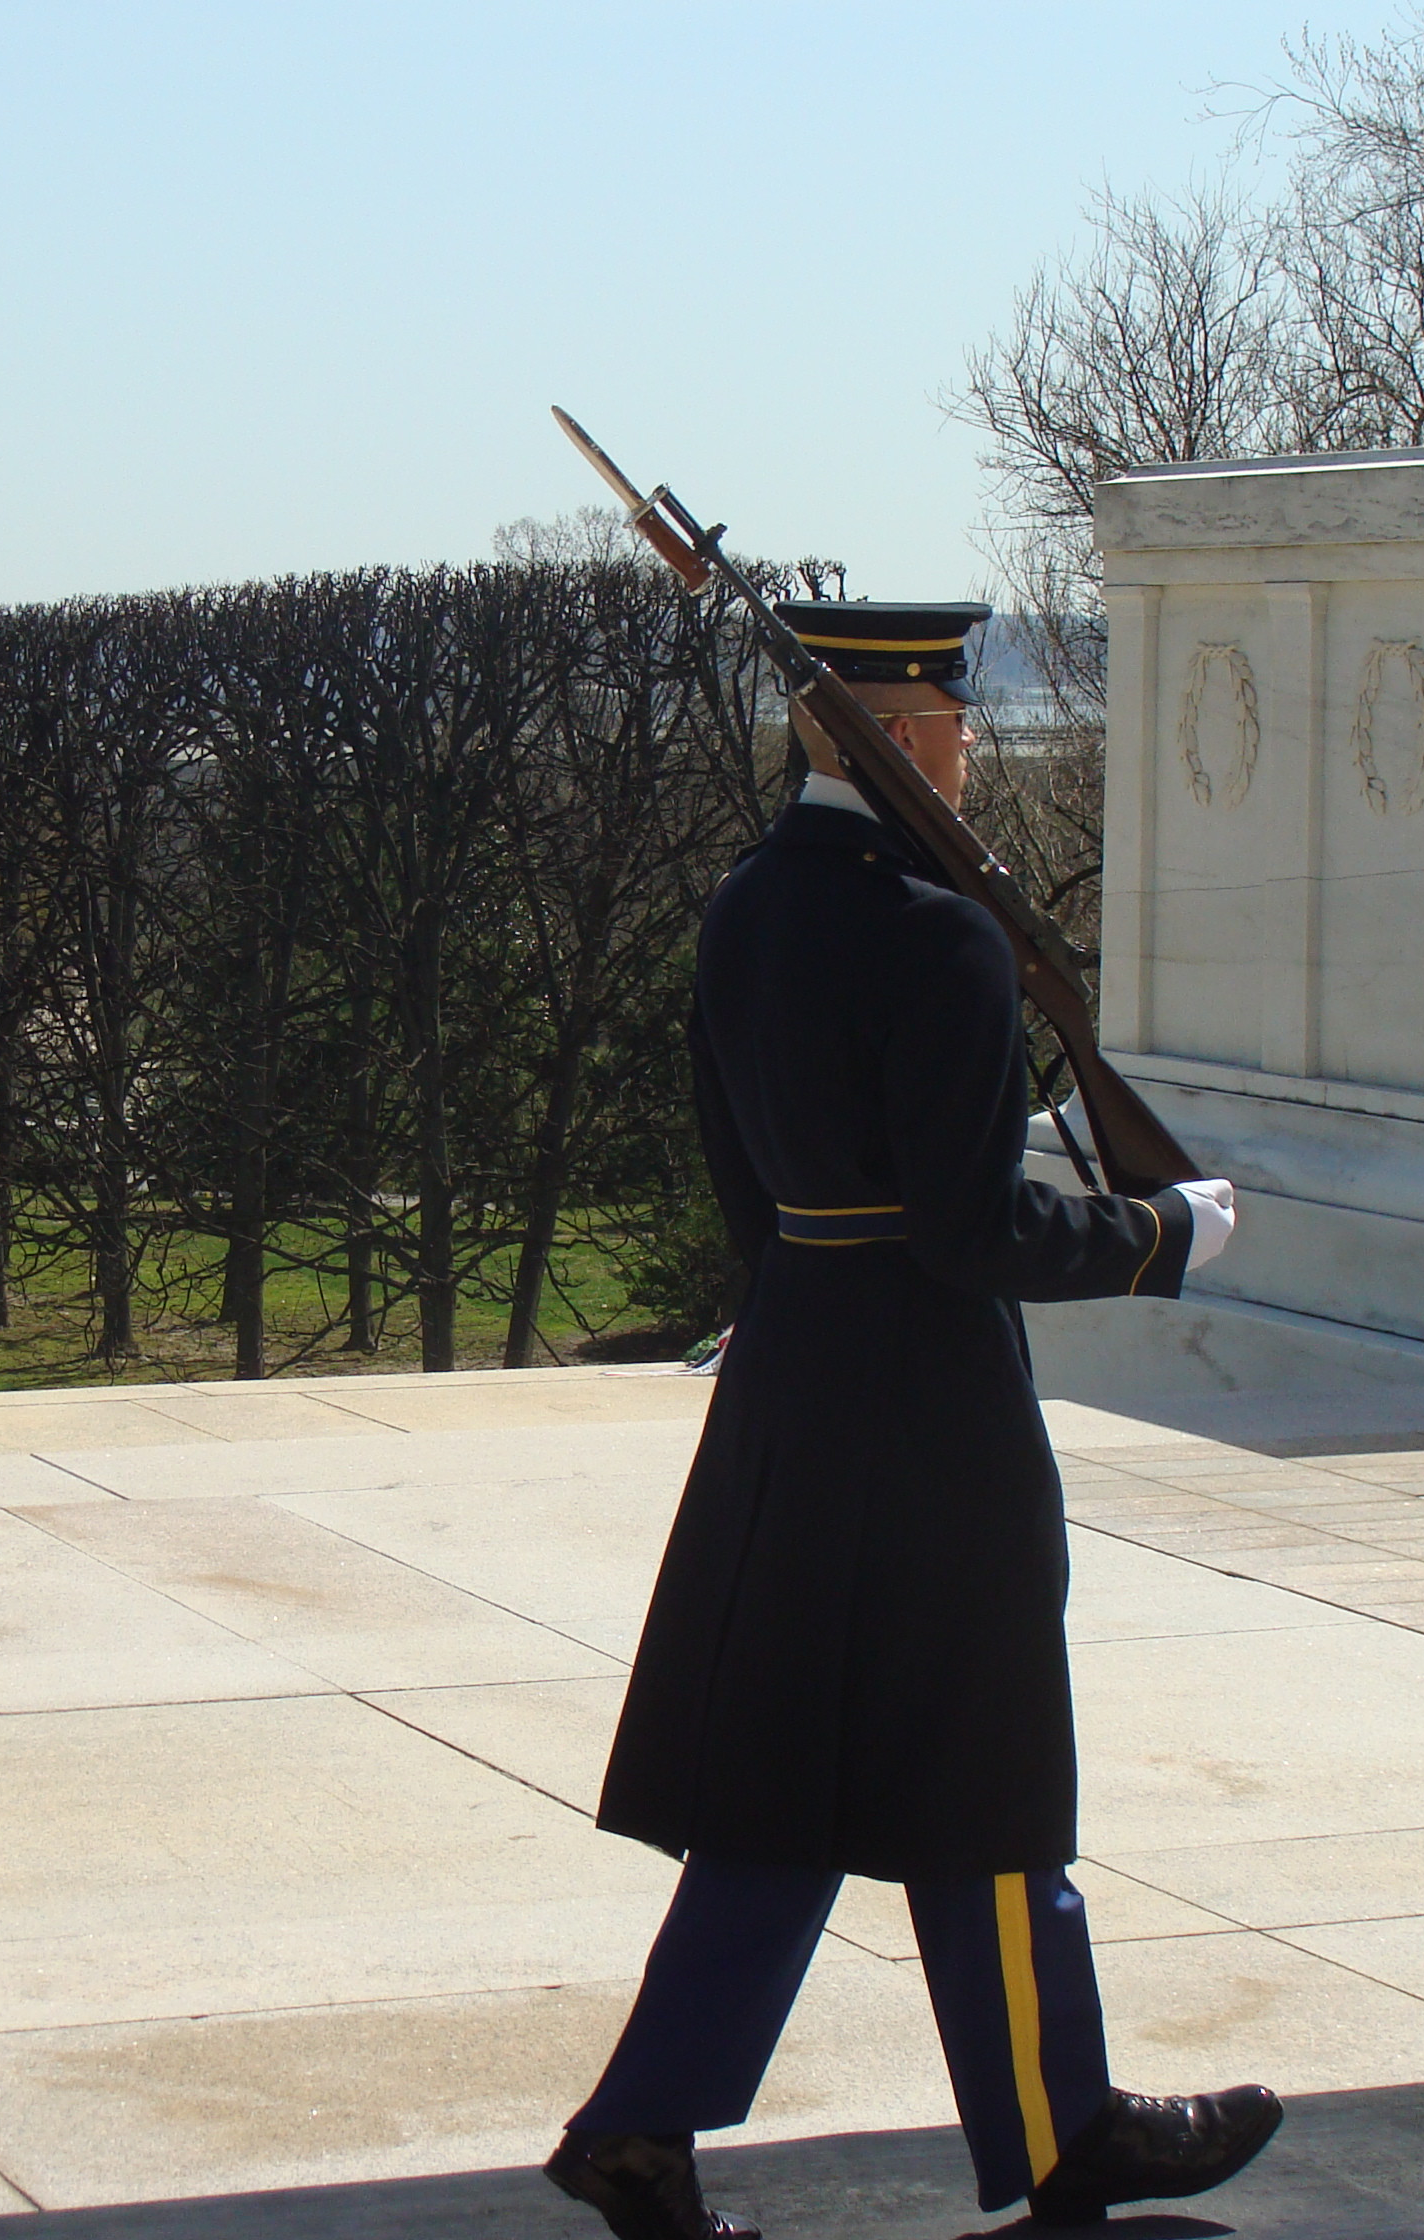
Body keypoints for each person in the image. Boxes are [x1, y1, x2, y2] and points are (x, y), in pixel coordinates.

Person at [544, 600, 1278, 2239]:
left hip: (800, 1379)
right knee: (983, 1759)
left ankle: (644, 2128)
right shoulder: (940, 936)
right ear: (887, 736)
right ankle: (1062, 2129)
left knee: (787, 1778)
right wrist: (1162, 1234)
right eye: (947, 720)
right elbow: (970, 1232)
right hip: (933, 1410)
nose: (966, 743)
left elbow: (753, 1182)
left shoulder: (747, 905)